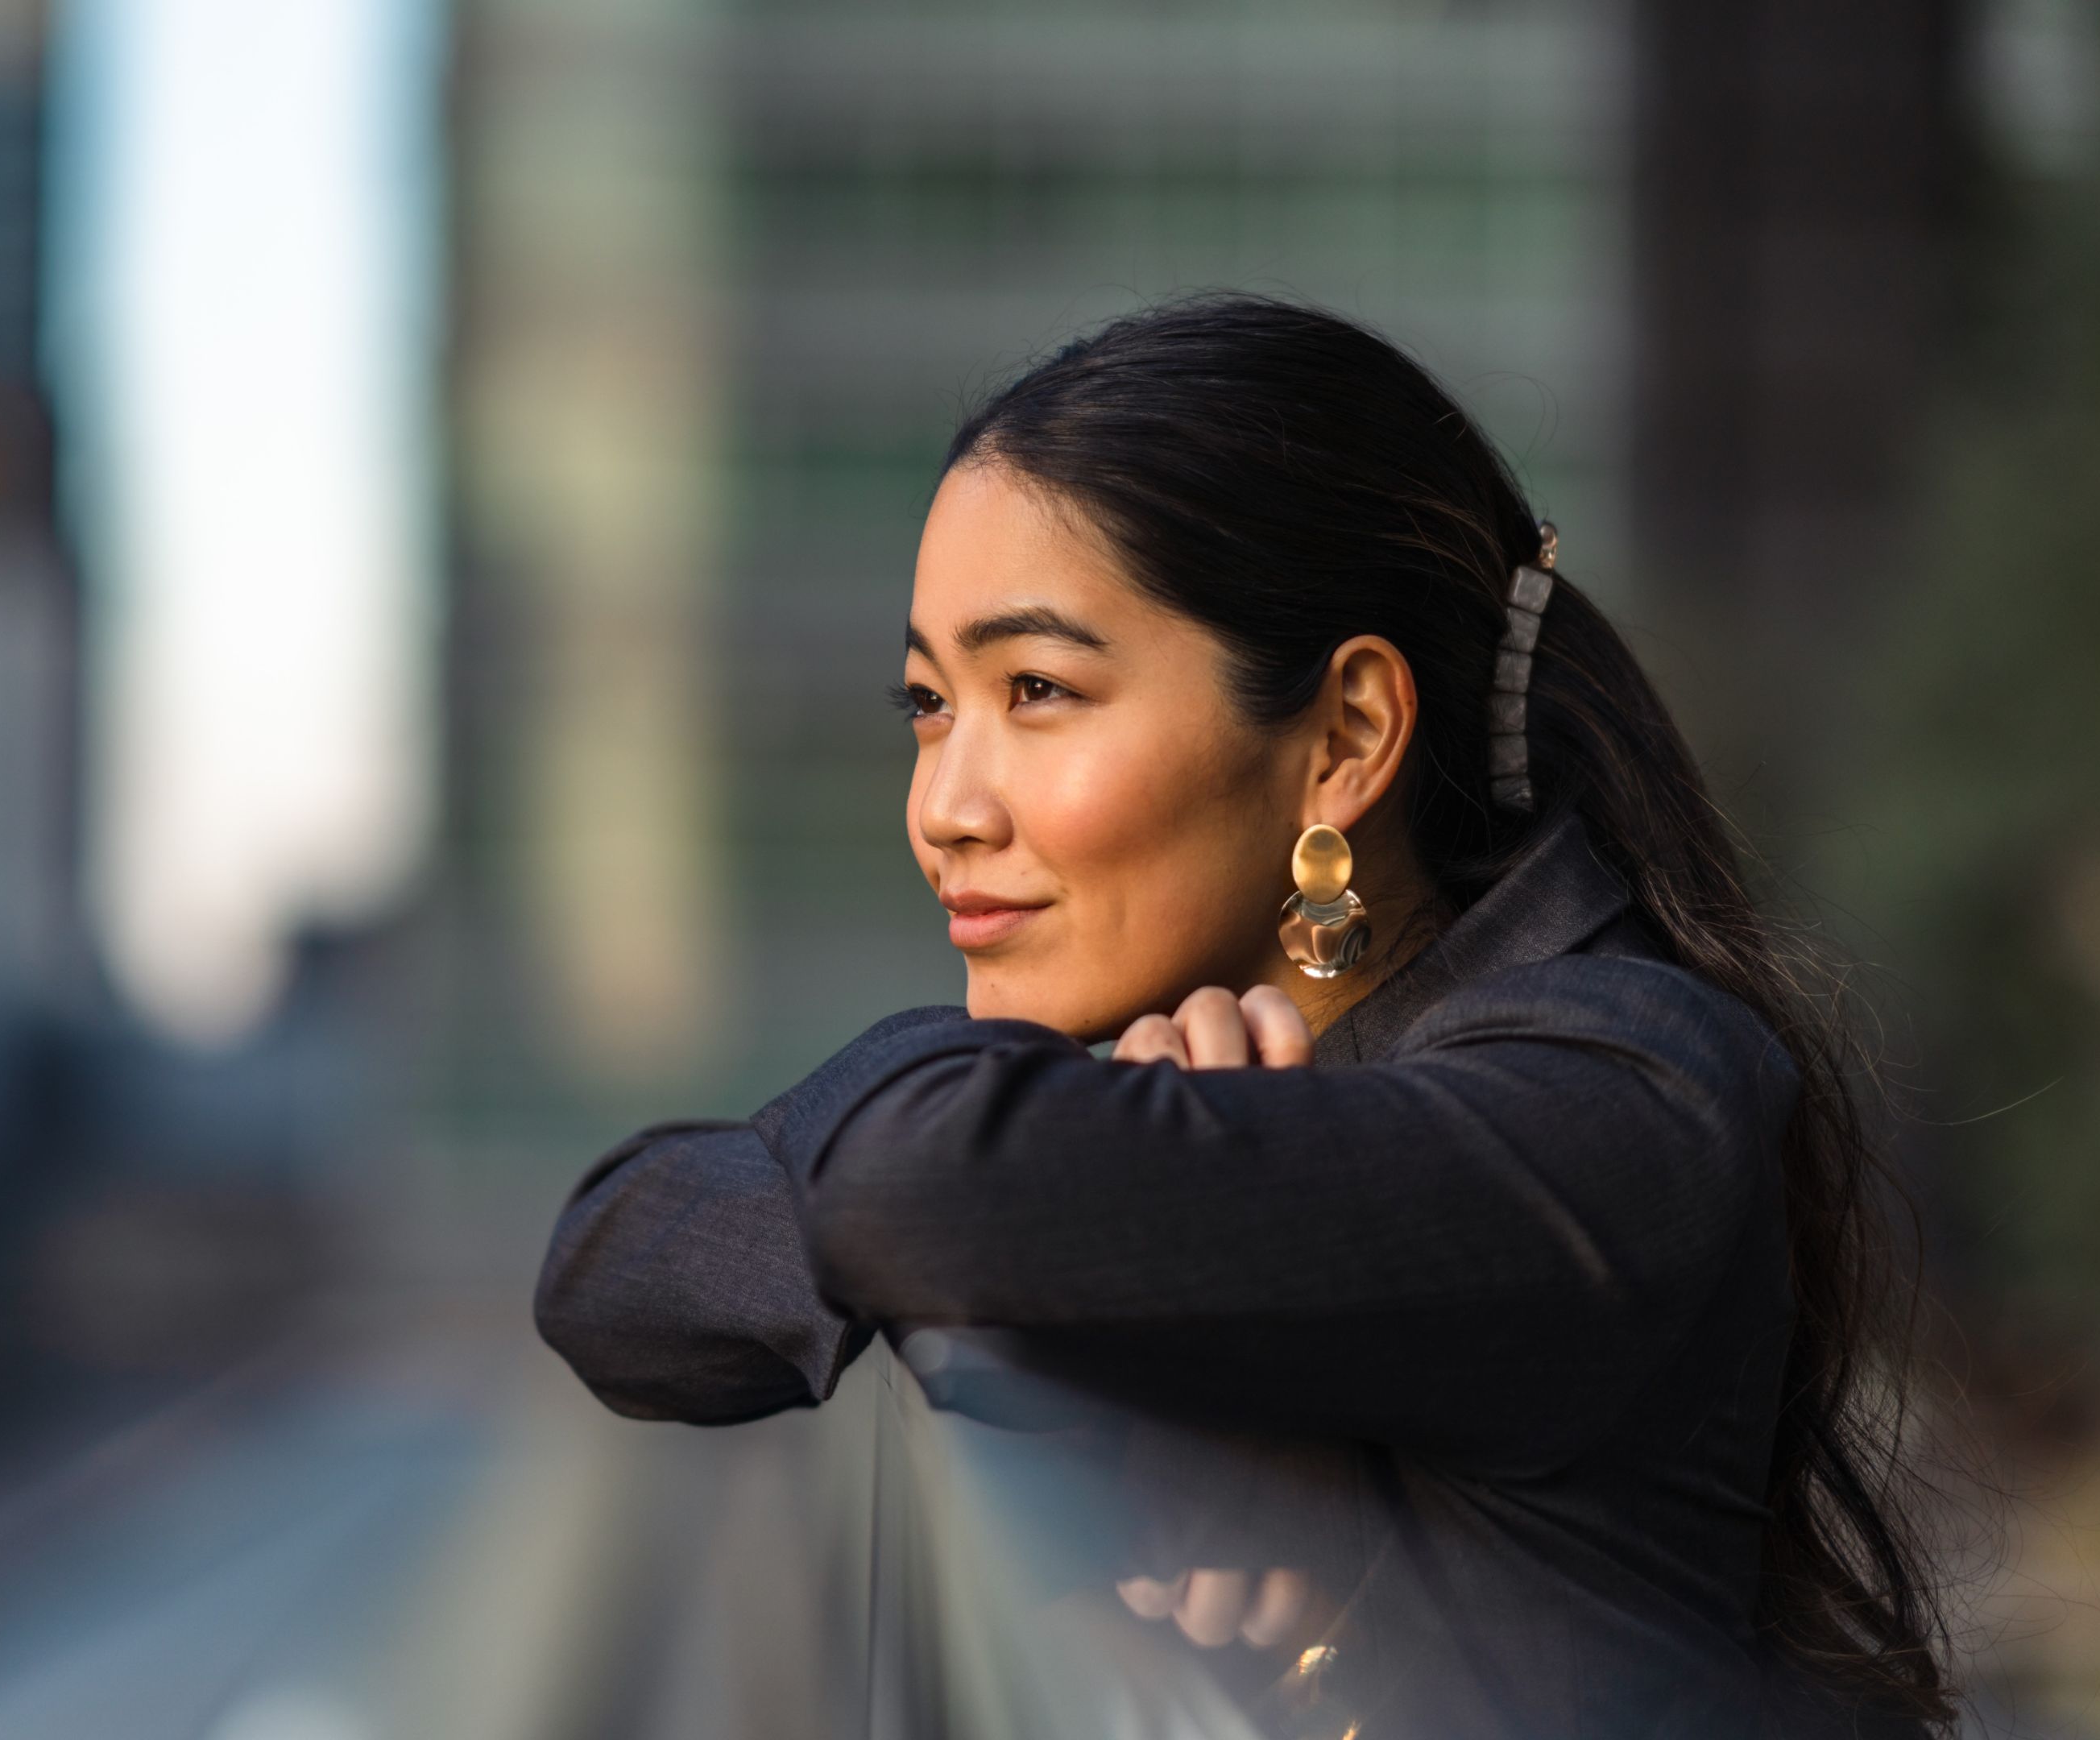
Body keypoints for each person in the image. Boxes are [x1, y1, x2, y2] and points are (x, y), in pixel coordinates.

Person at [532, 295, 1955, 1738]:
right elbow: (614, 1270)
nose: (944, 812)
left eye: (1036, 690)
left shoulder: (1629, 1095)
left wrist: (1076, 1154)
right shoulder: (1185, 1096)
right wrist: (1131, 1186)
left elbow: (914, 1191)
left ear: (1343, 740)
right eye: (927, 702)